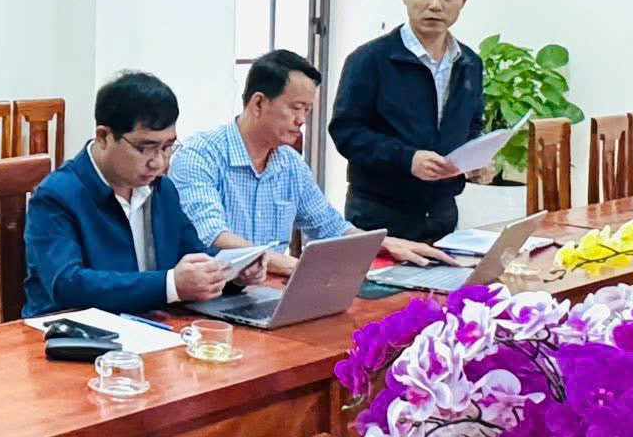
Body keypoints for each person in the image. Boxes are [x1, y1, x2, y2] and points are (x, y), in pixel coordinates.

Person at [168, 50, 447, 276]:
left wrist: (384, 243)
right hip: (212, 293)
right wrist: (296, 267)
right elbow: (212, 237)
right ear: (258, 103)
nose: (302, 120)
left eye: (308, 110)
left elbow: (329, 227)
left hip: (271, 289)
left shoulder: (289, 163)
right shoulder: (200, 155)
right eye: (296, 108)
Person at [23, 71, 232, 317]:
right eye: (145, 148)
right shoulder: (56, 196)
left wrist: (232, 270)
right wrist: (169, 285)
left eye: (167, 147)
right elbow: (67, 284)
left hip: (151, 325)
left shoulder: (162, 190)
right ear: (104, 137)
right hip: (73, 331)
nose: (158, 163)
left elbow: (192, 253)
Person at [329, 0, 492, 244]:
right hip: (379, 214)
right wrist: (408, 159)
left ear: (463, 1)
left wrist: (474, 161)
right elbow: (346, 132)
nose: (435, 5)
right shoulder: (370, 59)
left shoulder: (469, 63)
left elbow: (472, 125)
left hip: (442, 213)